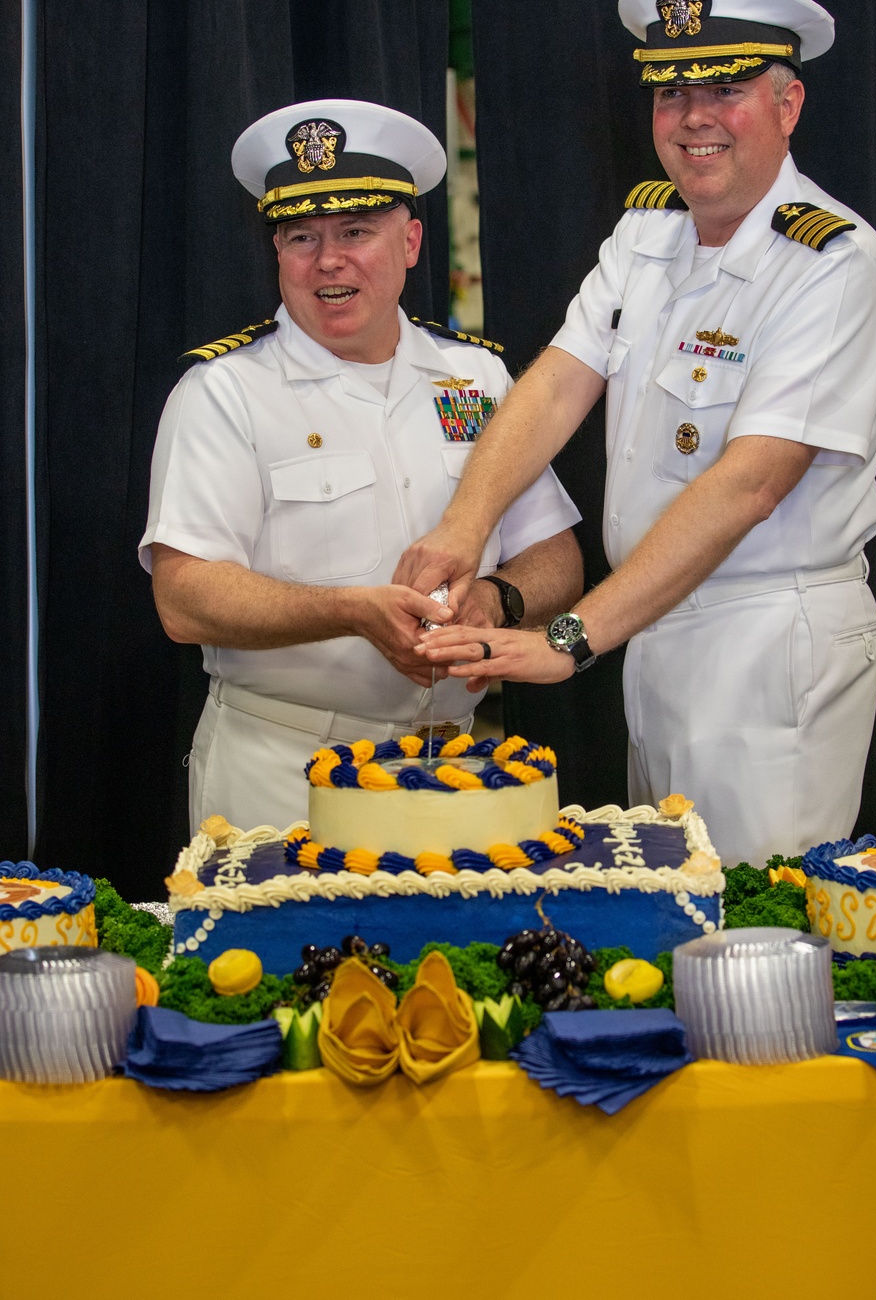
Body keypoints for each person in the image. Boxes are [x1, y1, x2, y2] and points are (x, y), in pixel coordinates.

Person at [404, 0, 876, 867]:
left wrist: (568, 638)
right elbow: (558, 384)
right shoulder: (648, 234)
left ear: (789, 104)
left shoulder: (834, 262)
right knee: (674, 917)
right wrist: (462, 526)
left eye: (727, 89)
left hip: (766, 640)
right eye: (672, 92)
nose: (694, 116)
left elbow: (750, 485)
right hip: (655, 625)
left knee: (755, 931)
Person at [140, 99, 582, 831]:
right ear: (277, 253)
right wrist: (351, 612)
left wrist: (498, 601)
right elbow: (182, 600)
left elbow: (556, 553)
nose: (328, 260)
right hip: (284, 776)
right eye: (300, 236)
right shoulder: (224, 392)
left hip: (455, 772)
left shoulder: (476, 381)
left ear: (410, 241)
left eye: (355, 231)